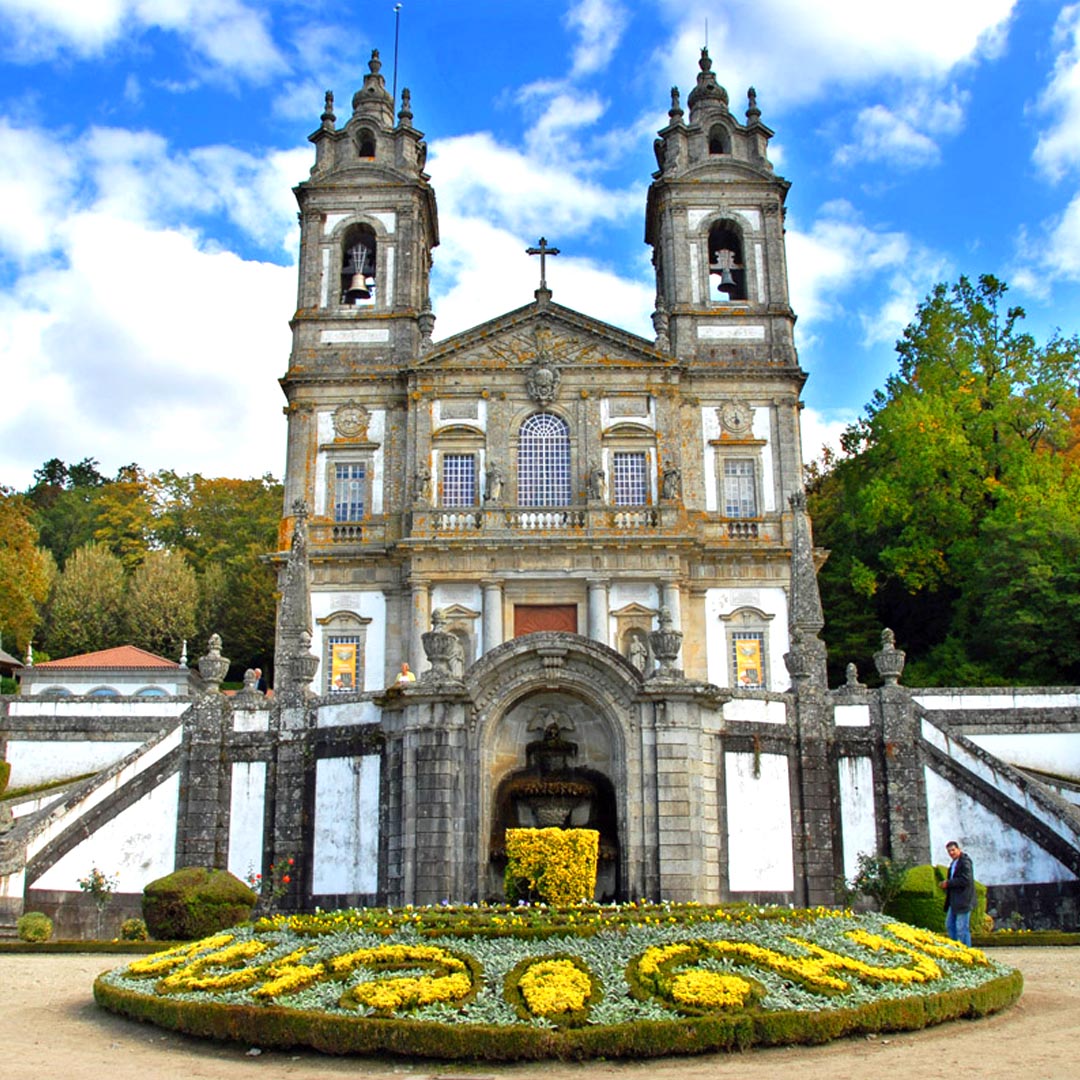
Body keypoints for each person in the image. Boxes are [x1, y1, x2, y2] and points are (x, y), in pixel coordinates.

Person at [939, 840, 975, 945]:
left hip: (963, 900)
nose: (951, 853)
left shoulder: (965, 862)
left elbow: (966, 880)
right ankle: (956, 948)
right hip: (954, 901)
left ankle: (966, 951)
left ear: (959, 850)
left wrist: (949, 883)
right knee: (950, 925)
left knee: (961, 928)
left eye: (953, 850)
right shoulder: (954, 863)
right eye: (949, 851)